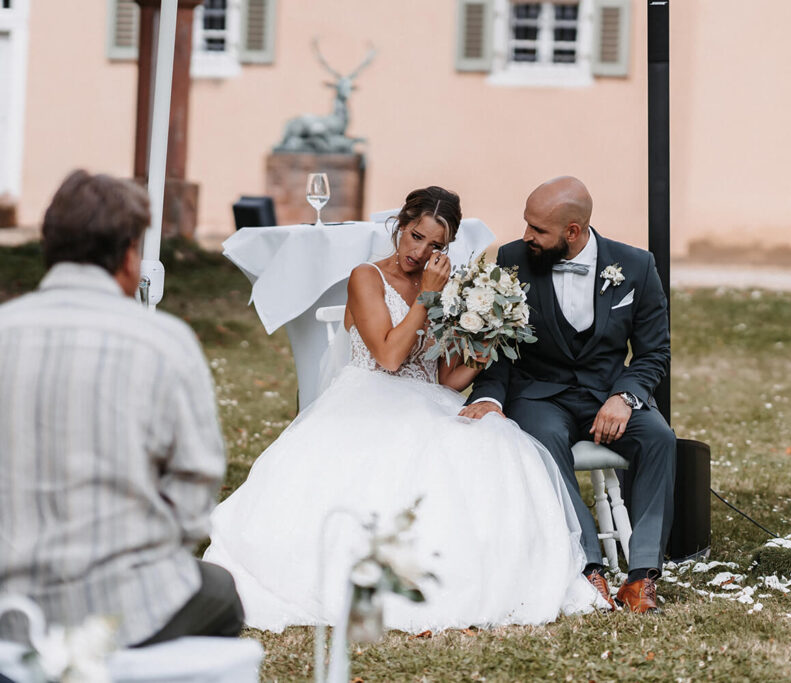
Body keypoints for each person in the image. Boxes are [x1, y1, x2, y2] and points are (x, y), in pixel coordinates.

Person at [203, 186, 601, 633]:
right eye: (415, 237)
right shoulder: (366, 277)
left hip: (431, 401)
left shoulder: (448, 287)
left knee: (495, 445)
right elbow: (390, 357)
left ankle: (477, 569)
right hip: (370, 398)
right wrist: (427, 298)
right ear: (400, 226)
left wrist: (484, 344)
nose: (420, 252)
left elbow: (447, 379)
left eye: (436, 246)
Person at [0, 170, 243, 647]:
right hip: (126, 609)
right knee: (221, 593)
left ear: (48, 245)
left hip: (11, 606)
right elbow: (195, 486)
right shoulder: (164, 341)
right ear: (131, 253)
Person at [462, 176, 675, 614]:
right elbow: (500, 345)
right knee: (542, 442)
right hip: (541, 397)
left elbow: (655, 352)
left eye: (538, 230)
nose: (526, 237)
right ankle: (587, 566)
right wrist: (490, 399)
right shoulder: (513, 260)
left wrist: (626, 396)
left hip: (608, 395)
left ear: (573, 232)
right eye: (527, 225)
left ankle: (641, 577)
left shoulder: (636, 266)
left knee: (660, 440)